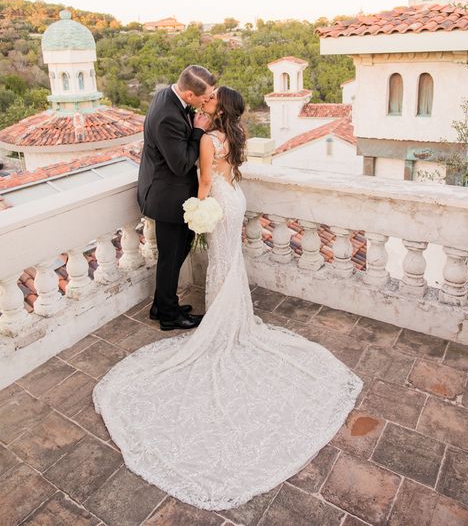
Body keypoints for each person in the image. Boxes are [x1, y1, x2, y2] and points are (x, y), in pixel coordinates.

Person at [94, 86, 362, 511]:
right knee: (228, 262)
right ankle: (232, 320)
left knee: (221, 262)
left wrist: (197, 212)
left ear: (218, 109)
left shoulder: (205, 138)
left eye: (212, 99)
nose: (207, 101)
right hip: (235, 199)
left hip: (217, 202)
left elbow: (202, 181)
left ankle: (224, 324)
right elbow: (227, 174)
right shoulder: (233, 135)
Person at [137, 65, 216, 330]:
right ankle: (169, 316)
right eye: (204, 98)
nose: (205, 103)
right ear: (189, 94)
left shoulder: (168, 95)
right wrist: (198, 131)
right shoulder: (167, 116)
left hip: (170, 193)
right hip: (165, 196)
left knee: (178, 251)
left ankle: (162, 305)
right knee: (171, 257)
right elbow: (182, 164)